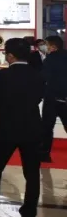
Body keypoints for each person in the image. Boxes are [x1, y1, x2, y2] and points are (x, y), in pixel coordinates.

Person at [0, 38, 46, 217]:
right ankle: (28, 215)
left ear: (10, 56)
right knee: (32, 173)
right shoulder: (38, 75)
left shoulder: (2, 75)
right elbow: (39, 97)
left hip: (6, 127)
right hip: (31, 127)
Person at [41, 34, 67, 163]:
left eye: (46, 45)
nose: (45, 47)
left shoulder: (49, 59)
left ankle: (45, 154)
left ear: (53, 47)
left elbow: (44, 77)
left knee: (47, 127)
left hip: (51, 97)